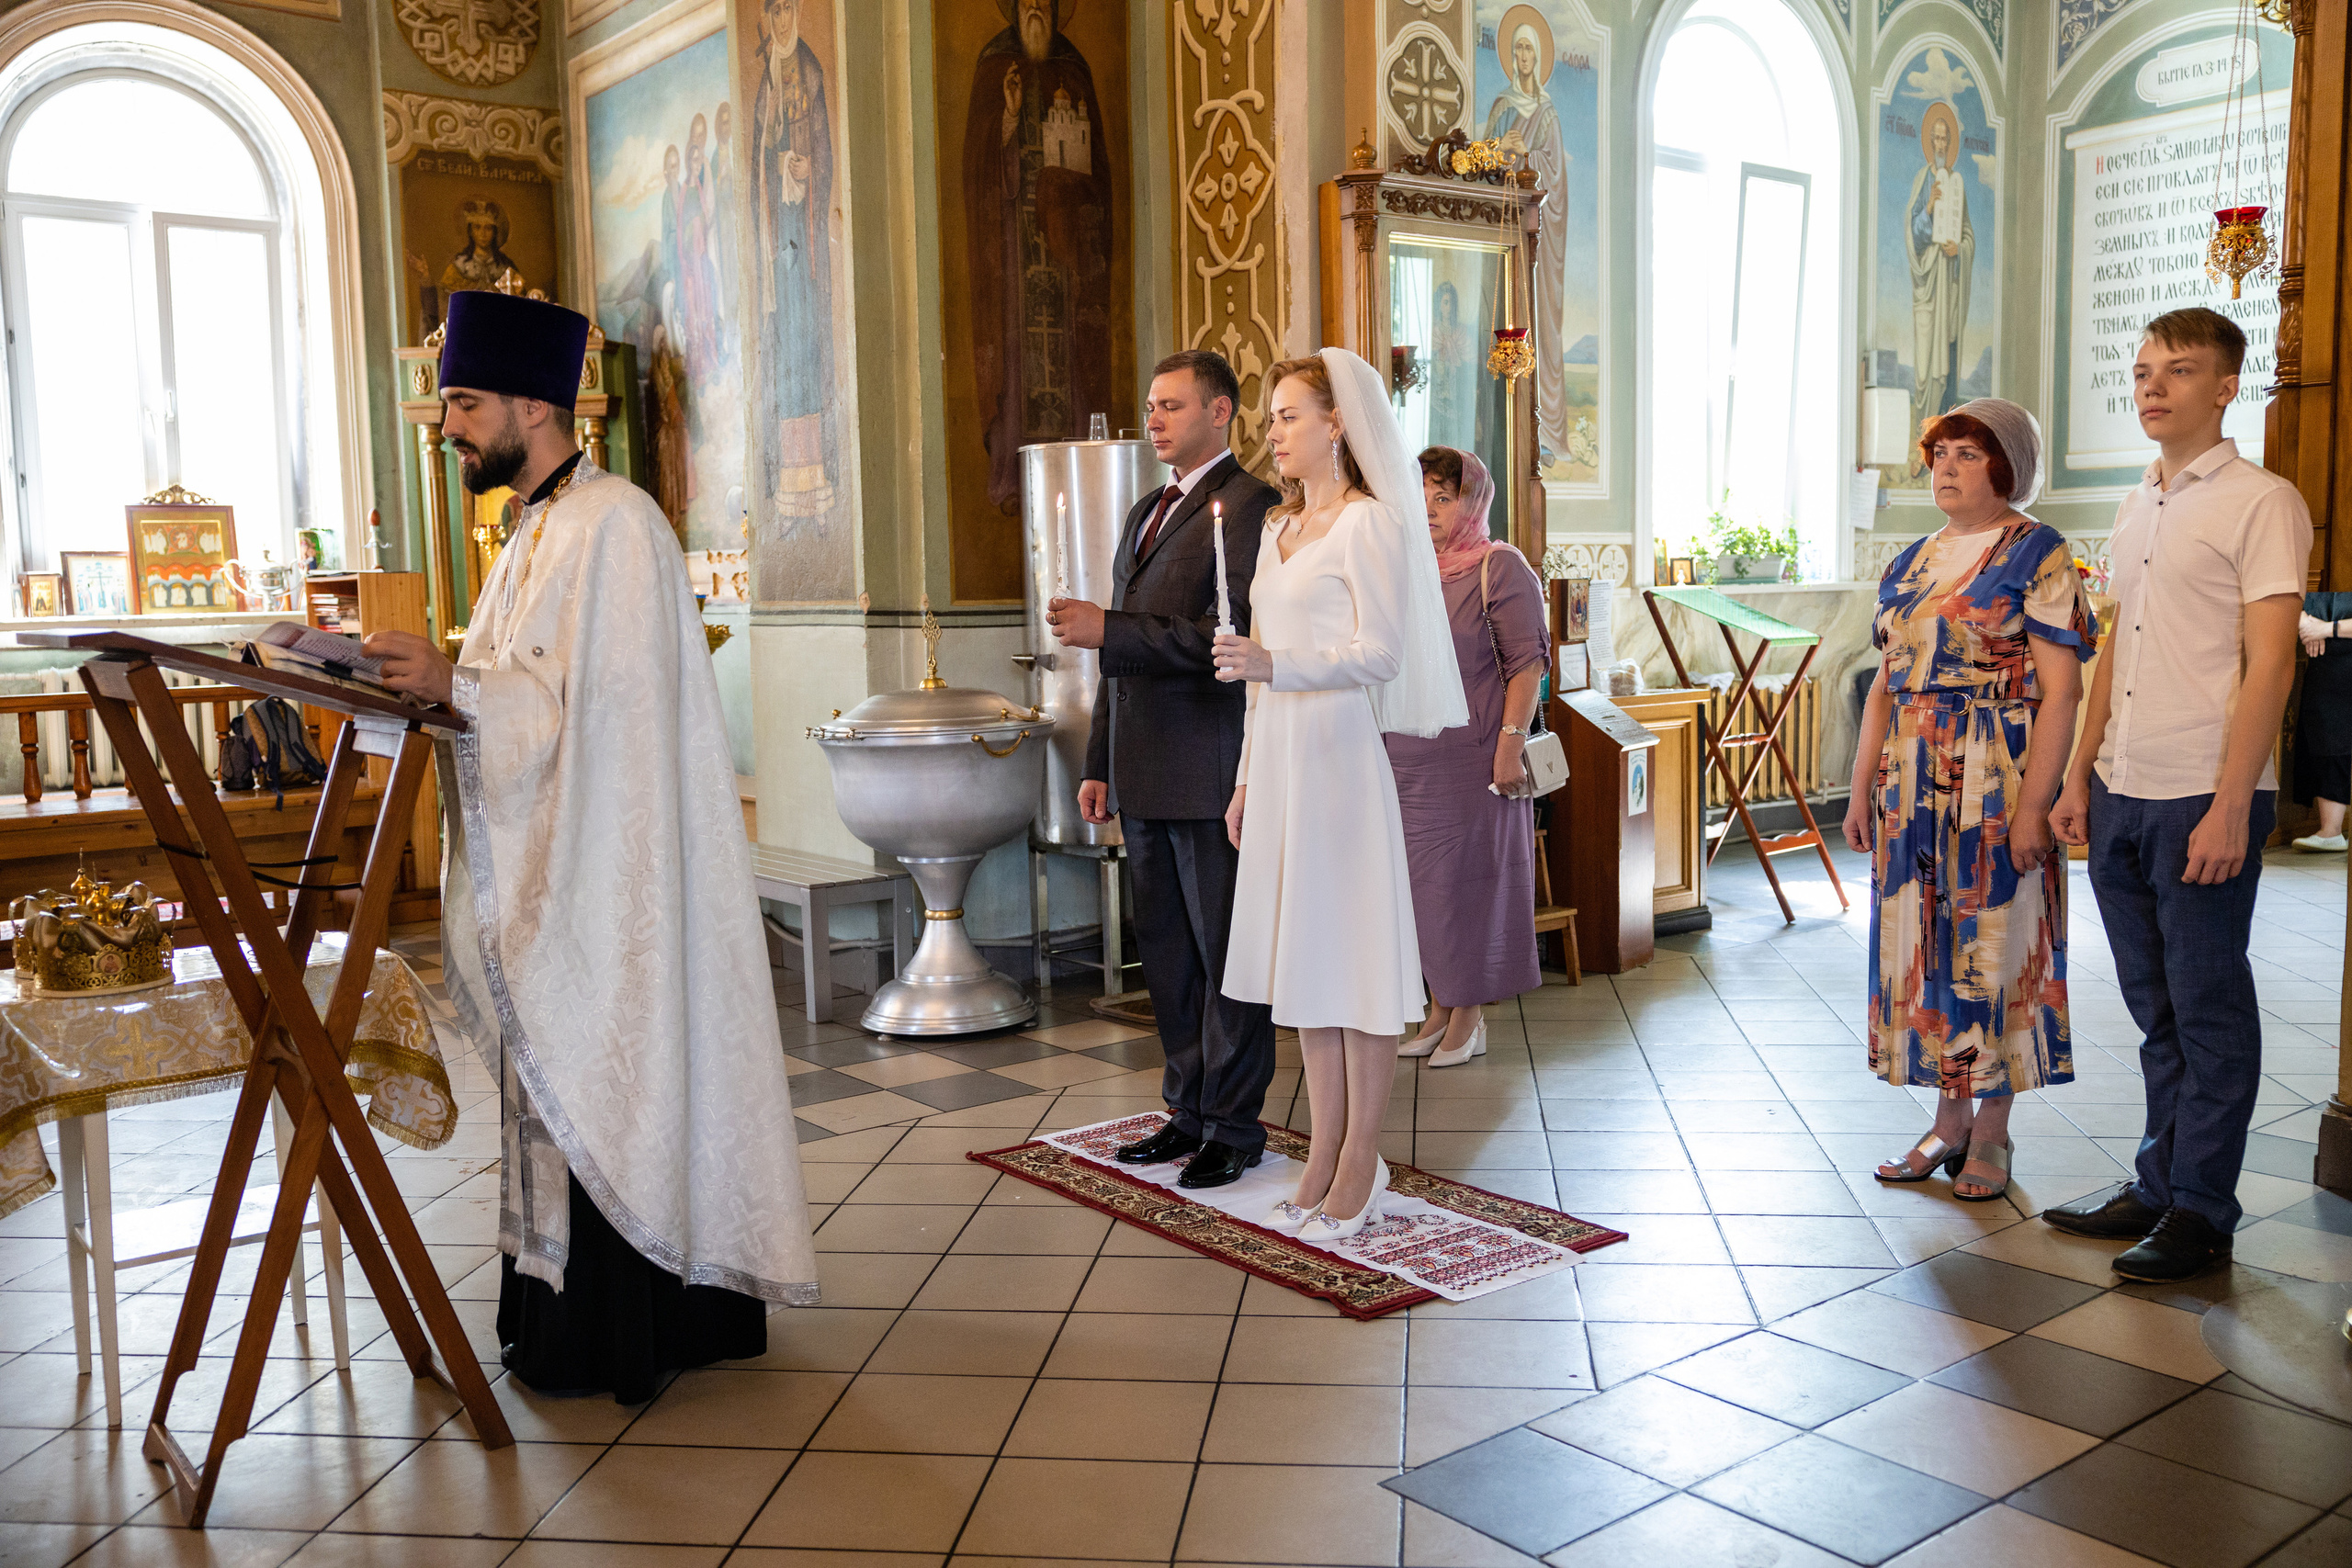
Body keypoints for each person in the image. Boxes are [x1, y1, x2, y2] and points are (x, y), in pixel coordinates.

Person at [366, 289, 819, 1401]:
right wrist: (432, 688)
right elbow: (527, 701)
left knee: (613, 1079)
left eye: (463, 404)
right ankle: (560, 1324)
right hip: (560, 862)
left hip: (613, 887)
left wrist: (456, 682)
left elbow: (604, 720)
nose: (447, 427)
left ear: (532, 401)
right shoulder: (536, 528)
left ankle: (637, 1327)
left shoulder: (615, 524)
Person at [2048, 307, 2312, 1281]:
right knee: (2154, 1009)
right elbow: (2115, 644)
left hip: (2203, 791)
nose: (2152, 387)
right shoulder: (2138, 502)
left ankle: (2202, 1210)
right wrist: (2080, 772)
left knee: (2207, 1010)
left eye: (2180, 370)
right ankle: (2157, 1184)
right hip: (2123, 788)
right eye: (2145, 369)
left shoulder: (2261, 501)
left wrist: (2229, 802)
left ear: (2225, 385)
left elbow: (2271, 662)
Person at [1212, 349, 1466, 1244]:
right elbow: (1252, 672)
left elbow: (1381, 654)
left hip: (1338, 756)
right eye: (1271, 417)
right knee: (1308, 968)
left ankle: (1362, 1161)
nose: (1271, 432)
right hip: (1279, 760)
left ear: (1335, 427)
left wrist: (1278, 664)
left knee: (1353, 967)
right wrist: (1245, 776)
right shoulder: (1274, 531)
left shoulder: (1366, 525)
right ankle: (1319, 1152)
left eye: (1287, 416)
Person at [1845, 399, 2095, 1203]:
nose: (1946, 467)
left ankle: (1992, 1129)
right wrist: (1860, 789)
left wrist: (2035, 807)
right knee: (1922, 948)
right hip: (1910, 781)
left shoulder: (2038, 552)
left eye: (1968, 454)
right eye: (1940, 453)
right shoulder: (1913, 559)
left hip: (1997, 774)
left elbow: (2063, 692)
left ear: (2008, 465)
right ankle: (1947, 1119)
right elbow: (1885, 682)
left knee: (1995, 946)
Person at [1046, 350, 1280, 1189]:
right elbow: (1114, 661)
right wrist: (1098, 757)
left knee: (1226, 952)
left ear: (1221, 412)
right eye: (1150, 406)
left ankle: (1234, 1121)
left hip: (1210, 764)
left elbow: (1226, 638)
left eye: (1171, 406)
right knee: (1169, 956)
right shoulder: (1147, 510)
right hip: (1141, 766)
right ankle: (1184, 1108)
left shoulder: (1255, 508)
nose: (1154, 419)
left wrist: (1110, 626)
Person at [1386, 446, 1547, 1068]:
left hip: (1476, 755)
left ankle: (1470, 1015)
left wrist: (1510, 742)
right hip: (1407, 756)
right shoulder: (1406, 567)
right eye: (1421, 495)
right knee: (1422, 890)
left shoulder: (1499, 566)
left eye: (1443, 496)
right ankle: (1439, 1006)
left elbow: (1526, 663)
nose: (1428, 510)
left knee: (1470, 885)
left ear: (1471, 500)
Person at [2291, 591, 2352, 852]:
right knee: (2326, 730)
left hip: (2334, 631)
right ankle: (2331, 830)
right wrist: (2303, 620)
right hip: (2327, 657)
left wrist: (2328, 629)